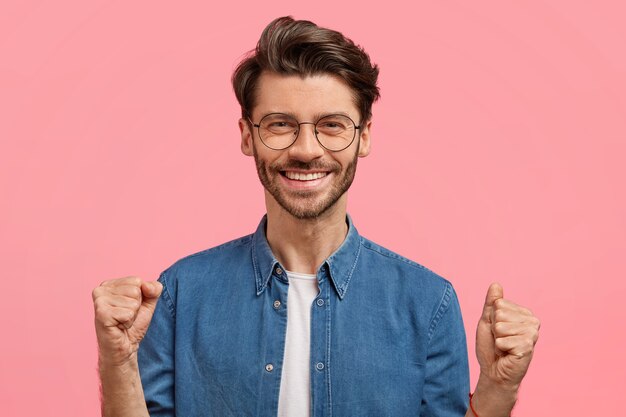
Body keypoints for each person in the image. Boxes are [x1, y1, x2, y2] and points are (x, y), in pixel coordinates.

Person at [92, 16, 540, 417]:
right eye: (280, 124)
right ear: (248, 136)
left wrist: (498, 390)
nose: (306, 150)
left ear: (364, 137)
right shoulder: (180, 294)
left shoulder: (428, 304)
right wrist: (117, 362)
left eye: (332, 125)